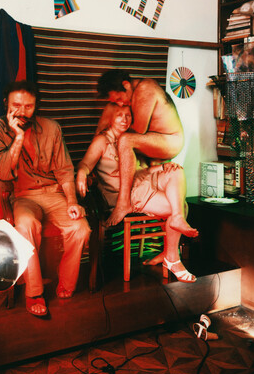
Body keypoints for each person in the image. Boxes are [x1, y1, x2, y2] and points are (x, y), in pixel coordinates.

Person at [0, 80, 90, 317]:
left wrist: (73, 201)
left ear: (36, 106)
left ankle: (66, 283)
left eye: (28, 106)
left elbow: (64, 170)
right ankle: (34, 292)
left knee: (81, 228)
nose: (22, 112)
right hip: (22, 196)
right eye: (16, 105)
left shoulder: (51, 128)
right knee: (25, 225)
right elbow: (2, 171)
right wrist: (18, 138)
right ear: (6, 103)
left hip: (54, 194)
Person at [76, 106, 198, 283]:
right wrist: (81, 173)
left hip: (142, 182)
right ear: (110, 118)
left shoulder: (131, 137)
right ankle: (172, 257)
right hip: (124, 194)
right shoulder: (101, 141)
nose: (124, 119)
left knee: (176, 171)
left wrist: (163, 167)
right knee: (180, 206)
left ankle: (169, 252)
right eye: (119, 116)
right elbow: (85, 164)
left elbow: (141, 170)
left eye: (128, 116)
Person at [96, 70, 184, 227]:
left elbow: (138, 130)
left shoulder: (145, 88)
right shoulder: (129, 96)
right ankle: (171, 251)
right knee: (112, 116)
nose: (120, 104)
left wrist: (112, 134)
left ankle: (123, 203)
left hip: (170, 139)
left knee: (125, 140)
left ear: (126, 85)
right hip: (153, 140)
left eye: (119, 98)